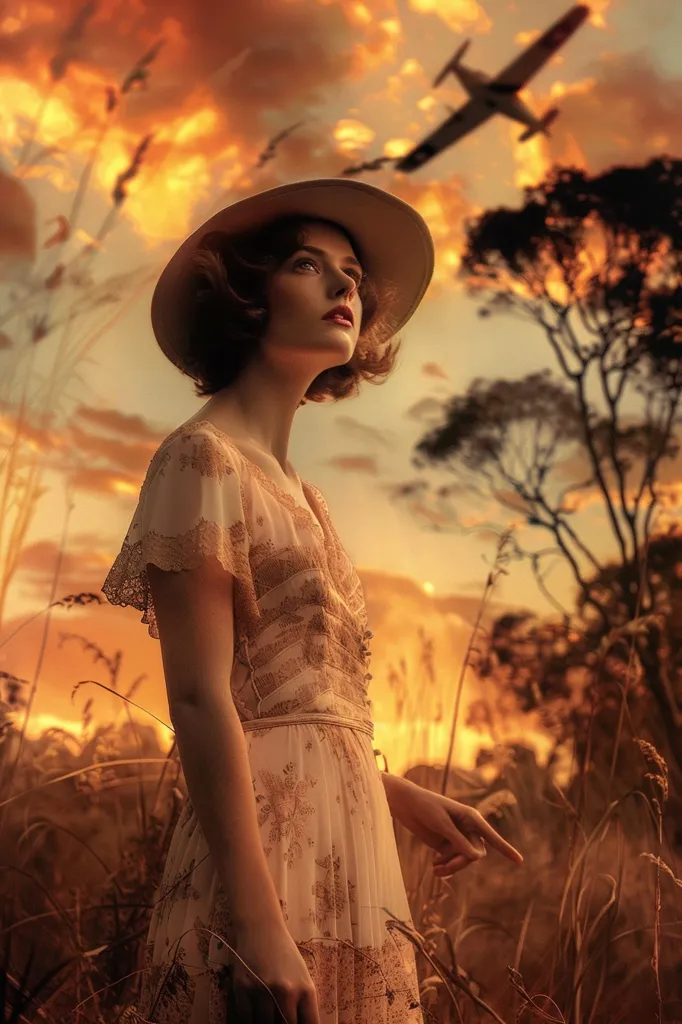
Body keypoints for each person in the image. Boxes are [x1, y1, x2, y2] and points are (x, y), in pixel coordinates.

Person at [101, 178, 522, 1024]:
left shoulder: (305, 494)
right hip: (261, 861)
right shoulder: (202, 458)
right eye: (308, 264)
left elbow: (306, 696)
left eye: (353, 273)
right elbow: (200, 696)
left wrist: (394, 792)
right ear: (249, 296)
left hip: (353, 846)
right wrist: (259, 926)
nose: (344, 287)